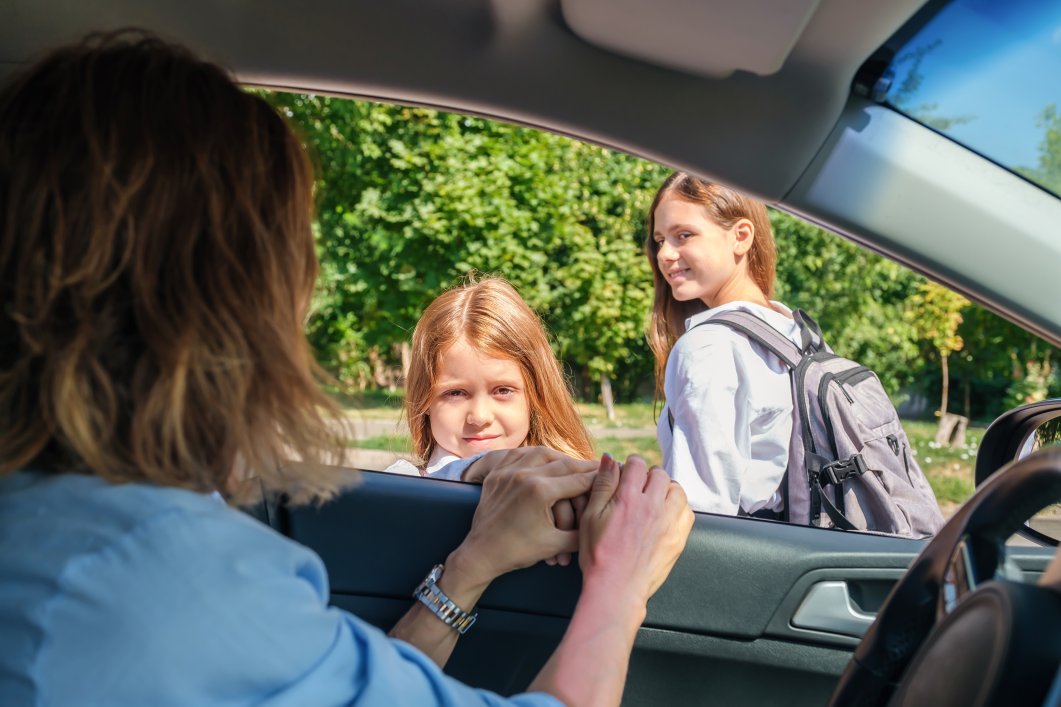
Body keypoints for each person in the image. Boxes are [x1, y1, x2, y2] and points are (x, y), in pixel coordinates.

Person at [0, 32, 694, 706]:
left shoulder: (56, 526)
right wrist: (616, 587)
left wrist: (470, 551)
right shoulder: (153, 576)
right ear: (226, 301)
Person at [645, 172, 804, 517]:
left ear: (741, 236)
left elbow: (700, 508)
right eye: (659, 240)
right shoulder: (795, 332)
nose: (665, 255)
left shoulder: (708, 347)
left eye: (683, 235)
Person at [386, 276, 594, 479]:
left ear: (535, 393)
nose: (480, 417)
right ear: (424, 401)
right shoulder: (397, 487)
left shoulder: (578, 486)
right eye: (455, 393)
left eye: (503, 390)